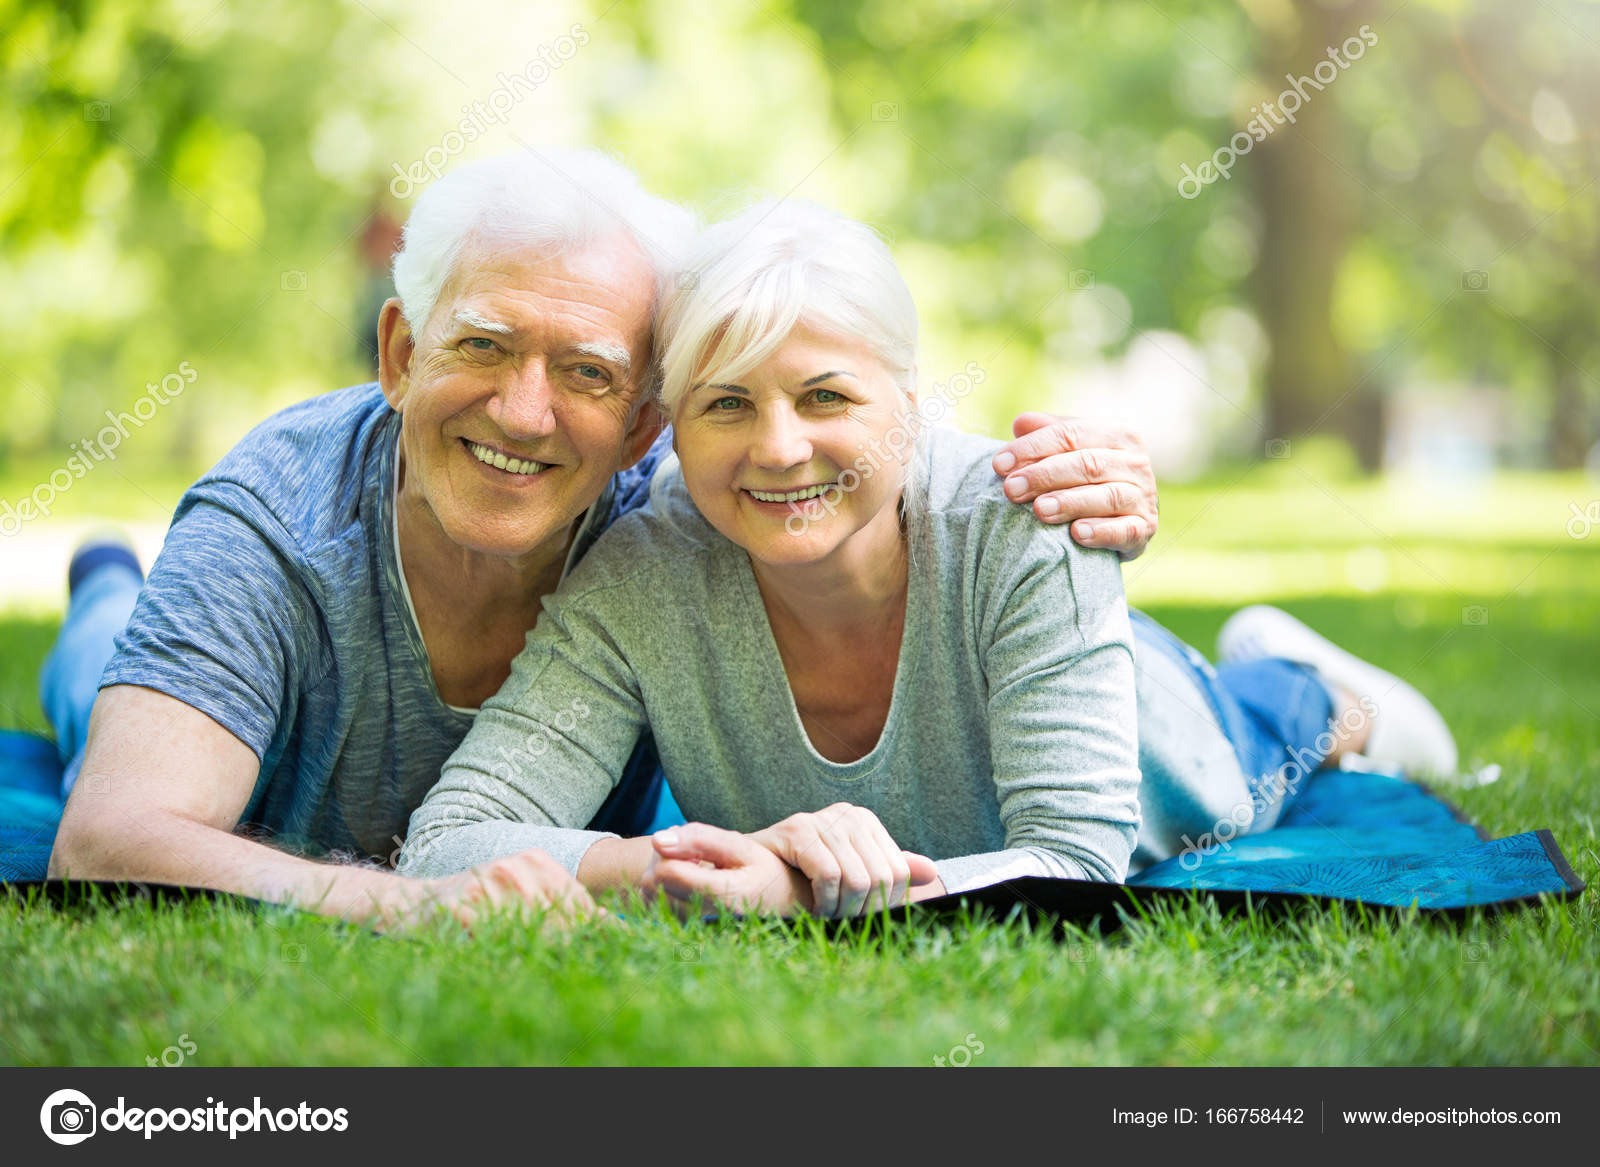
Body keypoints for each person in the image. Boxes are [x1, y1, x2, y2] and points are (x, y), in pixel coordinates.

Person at [38, 150, 1163, 930]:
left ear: (638, 426)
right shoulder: (271, 526)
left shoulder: (676, 501)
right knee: (102, 689)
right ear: (396, 356)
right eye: (481, 346)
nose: (526, 414)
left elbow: (833, 422)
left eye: (584, 372)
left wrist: (1092, 485)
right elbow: (104, 846)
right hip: (253, 737)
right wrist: (424, 907)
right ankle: (106, 594)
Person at [398, 200, 1459, 916]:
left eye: (826, 398)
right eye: (727, 404)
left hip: (1164, 739)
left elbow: (1078, 866)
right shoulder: (638, 574)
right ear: (673, 424)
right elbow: (448, 841)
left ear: (907, 407)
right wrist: (655, 870)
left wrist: (805, 893)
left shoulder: (1021, 523)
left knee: (1267, 723)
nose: (777, 448)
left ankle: (1327, 690)